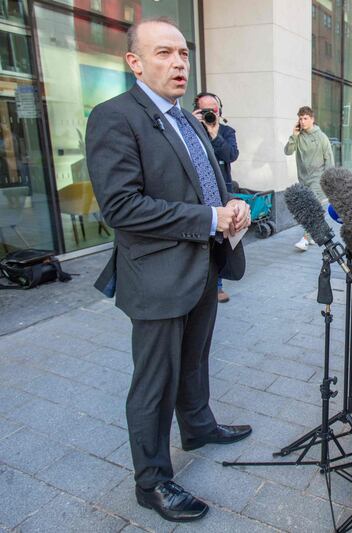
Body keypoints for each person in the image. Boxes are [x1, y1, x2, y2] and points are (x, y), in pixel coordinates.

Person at [85, 18, 252, 523]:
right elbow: (121, 207)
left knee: (196, 358)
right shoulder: (114, 117)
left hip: (204, 264)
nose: (179, 62)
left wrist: (231, 205)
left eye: (182, 53)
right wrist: (207, 217)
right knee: (155, 382)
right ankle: (152, 481)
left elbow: (205, 182)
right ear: (134, 62)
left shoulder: (187, 119)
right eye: (164, 53)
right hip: (156, 275)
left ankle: (198, 426)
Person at [193, 91, 239, 302]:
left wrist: (214, 134)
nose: (210, 114)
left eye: (214, 110)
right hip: (196, 193)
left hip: (221, 192)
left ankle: (218, 284)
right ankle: (198, 282)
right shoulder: (190, 131)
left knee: (220, 239)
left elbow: (231, 155)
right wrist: (192, 125)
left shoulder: (227, 131)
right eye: (205, 111)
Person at [284, 105, 334, 251]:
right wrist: (293, 135)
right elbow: (288, 151)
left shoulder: (321, 137)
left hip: (318, 179)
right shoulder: (298, 137)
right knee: (310, 208)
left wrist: (329, 180)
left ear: (312, 119)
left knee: (312, 208)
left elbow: (329, 159)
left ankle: (305, 239)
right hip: (303, 178)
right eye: (300, 119)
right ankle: (314, 234)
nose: (303, 121)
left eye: (305, 118)